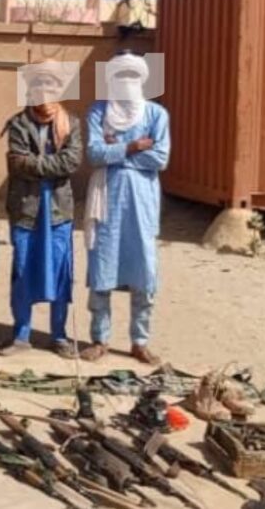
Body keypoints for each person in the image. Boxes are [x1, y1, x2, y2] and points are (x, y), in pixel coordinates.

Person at [82, 51, 171, 365]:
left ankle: (140, 341)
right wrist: (132, 146)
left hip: (141, 202)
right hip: (107, 198)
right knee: (102, 270)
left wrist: (114, 149)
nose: (127, 82)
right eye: (120, 77)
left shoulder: (156, 115)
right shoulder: (98, 111)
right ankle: (100, 339)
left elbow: (159, 159)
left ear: (142, 80)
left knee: (144, 272)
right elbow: (93, 154)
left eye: (133, 76)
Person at [0, 60, 82, 358]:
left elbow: (72, 162)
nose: (45, 91)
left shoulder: (72, 123)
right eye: (39, 84)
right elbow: (16, 164)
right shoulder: (18, 124)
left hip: (58, 210)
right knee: (23, 270)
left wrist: (36, 165)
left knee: (60, 270)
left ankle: (59, 335)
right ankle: (21, 334)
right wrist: (49, 167)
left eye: (51, 85)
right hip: (26, 208)